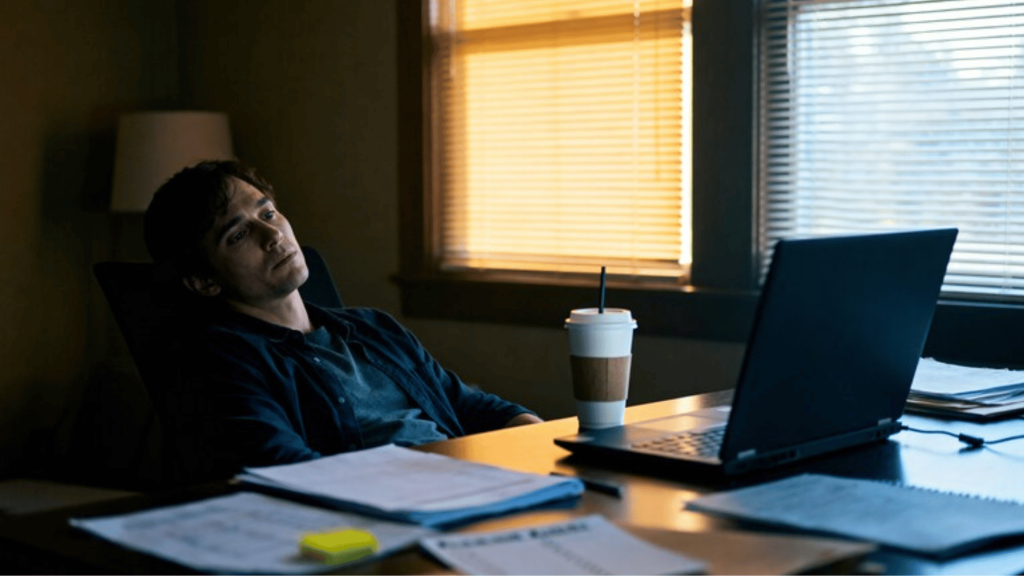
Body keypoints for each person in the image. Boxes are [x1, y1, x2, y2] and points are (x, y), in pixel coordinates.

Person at [143, 160, 541, 481]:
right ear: (204, 280)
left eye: (268, 212)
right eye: (238, 235)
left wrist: (539, 437)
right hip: (384, 512)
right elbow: (285, 466)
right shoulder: (224, 359)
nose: (273, 235)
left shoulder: (372, 326)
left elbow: (464, 403)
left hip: (469, 485)